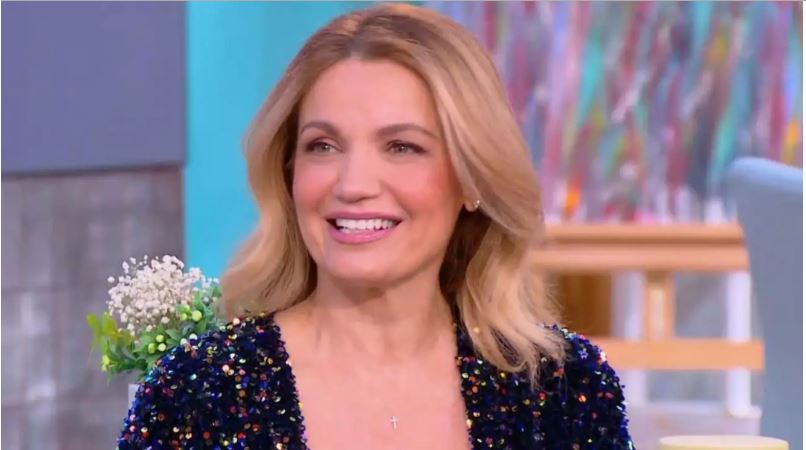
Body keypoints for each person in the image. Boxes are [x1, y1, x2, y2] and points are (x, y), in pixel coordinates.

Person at [117, 3, 633, 449]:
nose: (353, 184)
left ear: (472, 178)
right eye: (323, 146)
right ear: (289, 171)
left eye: (402, 147)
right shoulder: (196, 395)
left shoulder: (562, 389)